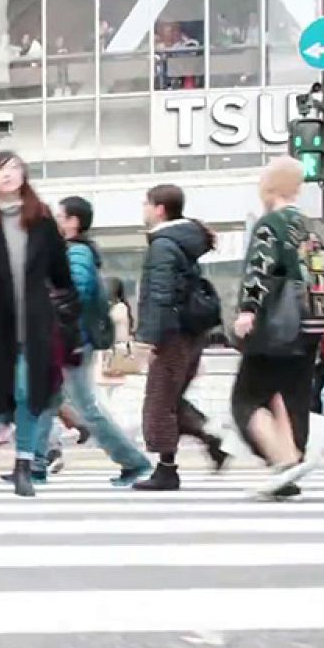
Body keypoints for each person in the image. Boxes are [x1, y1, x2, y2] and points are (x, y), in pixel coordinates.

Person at [0, 151, 77, 498]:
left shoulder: (40, 218)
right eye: (0, 170)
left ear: (24, 175)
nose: (8, 175)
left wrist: (65, 311)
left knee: (27, 393)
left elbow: (61, 273)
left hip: (35, 321)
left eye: (14, 169)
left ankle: (23, 463)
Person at [36, 197, 153, 486]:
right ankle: (34, 464)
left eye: (60, 217)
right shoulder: (74, 251)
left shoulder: (76, 252)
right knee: (46, 402)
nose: (55, 222)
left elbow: (75, 291)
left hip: (72, 338)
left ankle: (134, 462)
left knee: (86, 407)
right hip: (70, 337)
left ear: (73, 221)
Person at [229, 158, 324, 497]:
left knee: (246, 399)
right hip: (308, 325)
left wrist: (247, 310)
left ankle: (283, 459)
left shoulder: (271, 224)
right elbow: (320, 275)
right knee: (291, 395)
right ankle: (290, 461)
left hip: (274, 325)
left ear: (269, 186)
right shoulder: (312, 226)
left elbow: (260, 269)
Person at [132, 185, 230, 491]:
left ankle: (167, 469)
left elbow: (159, 295)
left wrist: (148, 338)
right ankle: (210, 438)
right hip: (189, 332)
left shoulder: (163, 245)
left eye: (147, 204)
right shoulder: (183, 243)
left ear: (160, 208)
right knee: (171, 398)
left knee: (160, 401)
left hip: (171, 333)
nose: (144, 209)